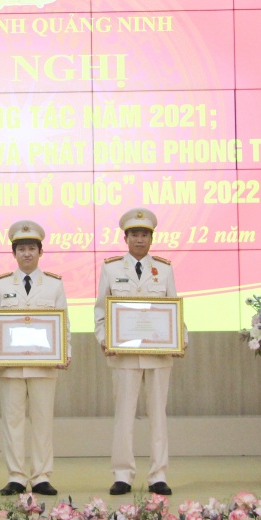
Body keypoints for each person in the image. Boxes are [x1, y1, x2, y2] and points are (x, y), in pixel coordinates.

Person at [94, 207, 187, 497]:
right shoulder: (110, 268)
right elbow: (101, 311)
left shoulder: (165, 268)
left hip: (159, 354)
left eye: (144, 234)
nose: (139, 239)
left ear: (151, 238)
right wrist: (104, 339)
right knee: (124, 416)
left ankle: (158, 475)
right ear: (125, 238)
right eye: (134, 234)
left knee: (158, 415)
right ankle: (122, 474)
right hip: (123, 355)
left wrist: (181, 339)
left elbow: (174, 308)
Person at [0, 220, 70, 497]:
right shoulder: (2, 285)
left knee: (43, 420)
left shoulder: (54, 285)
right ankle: (17, 476)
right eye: (21, 249)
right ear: (14, 253)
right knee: (13, 421)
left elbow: (64, 324)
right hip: (10, 366)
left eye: (32, 248)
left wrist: (65, 353)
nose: (27, 253)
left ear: (40, 252)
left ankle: (42, 476)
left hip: (45, 365)